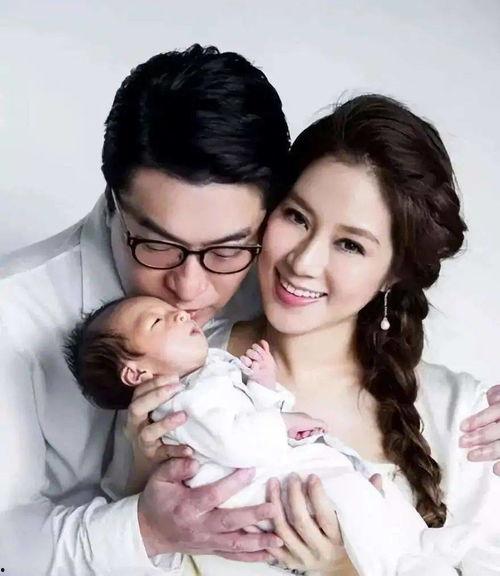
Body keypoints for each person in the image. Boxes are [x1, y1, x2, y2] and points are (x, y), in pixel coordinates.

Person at [122, 94, 500, 575]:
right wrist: (139, 476)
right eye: (297, 217)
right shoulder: (174, 368)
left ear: (394, 273)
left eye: (350, 245)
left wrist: (343, 569)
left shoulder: (464, 419)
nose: (303, 261)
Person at [0, 44, 292, 574]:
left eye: (226, 251)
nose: (190, 289)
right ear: (114, 200)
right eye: (157, 245)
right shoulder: (12, 315)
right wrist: (147, 530)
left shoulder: (281, 288)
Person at [65, 293, 480, 576]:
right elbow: (235, 442)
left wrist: (264, 385)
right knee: (355, 502)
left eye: (172, 311)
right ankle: (405, 564)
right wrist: (282, 422)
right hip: (273, 490)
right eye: (158, 321)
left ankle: (420, 544)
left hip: (289, 470)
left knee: (374, 495)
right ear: (136, 373)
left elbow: (248, 413)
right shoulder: (180, 404)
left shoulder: (212, 371)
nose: (180, 314)